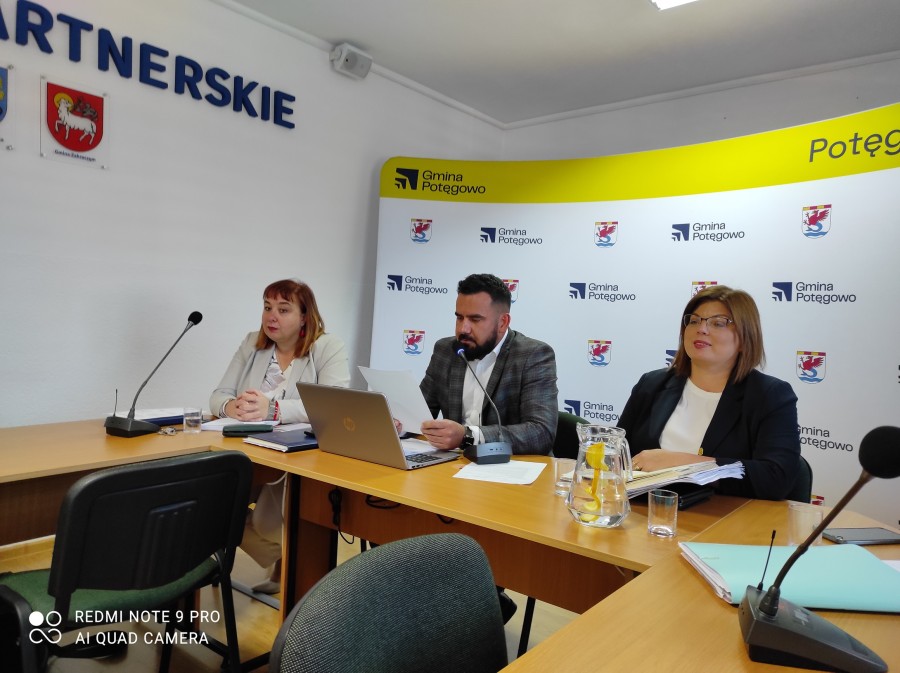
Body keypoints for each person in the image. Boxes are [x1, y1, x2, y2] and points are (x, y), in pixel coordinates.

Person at [210, 279, 350, 592]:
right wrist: (233, 407)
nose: (271, 316)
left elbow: (334, 405)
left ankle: (293, 565)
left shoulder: (327, 347)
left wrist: (273, 410)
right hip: (247, 448)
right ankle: (284, 557)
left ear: (304, 316)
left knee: (264, 523)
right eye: (267, 307)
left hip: (297, 456)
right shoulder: (252, 343)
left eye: (283, 310)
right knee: (211, 503)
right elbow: (218, 396)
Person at [617, 285, 801, 500]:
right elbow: (617, 454)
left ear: (745, 338)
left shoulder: (769, 395)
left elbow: (777, 478)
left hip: (725, 516)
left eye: (718, 323)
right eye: (694, 321)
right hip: (645, 511)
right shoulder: (652, 384)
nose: (702, 329)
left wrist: (682, 463)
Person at [419, 273, 558, 455]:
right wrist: (400, 425)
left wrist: (467, 436)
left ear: (503, 322)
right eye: (459, 318)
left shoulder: (533, 355)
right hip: (454, 463)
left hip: (512, 466)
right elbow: (420, 412)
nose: (463, 329)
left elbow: (541, 433)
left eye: (475, 319)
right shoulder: (446, 350)